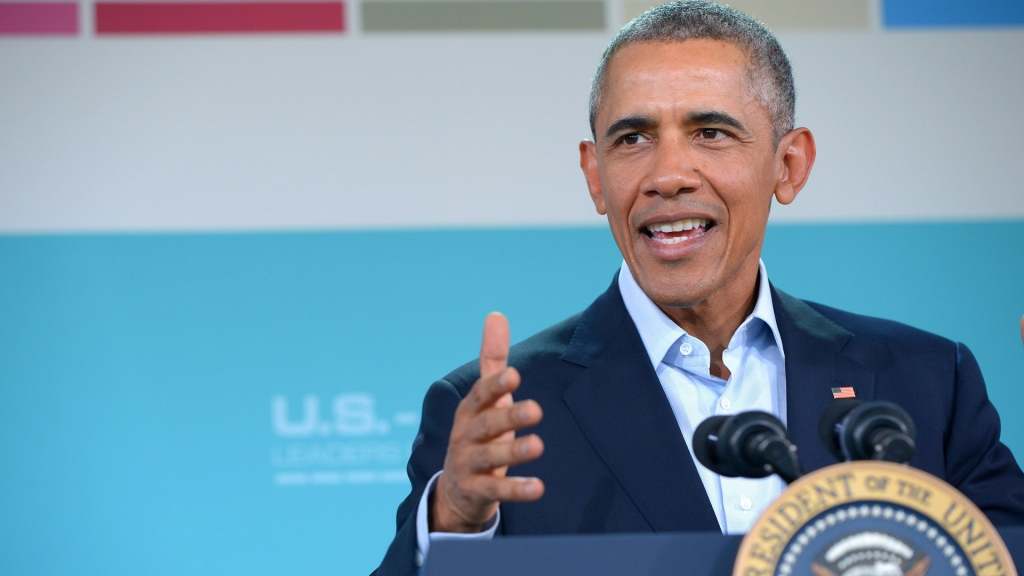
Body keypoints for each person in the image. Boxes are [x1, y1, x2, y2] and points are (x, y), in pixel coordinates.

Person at [373, 2, 1024, 574]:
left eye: (710, 133)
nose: (668, 175)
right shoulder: (498, 417)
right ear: (595, 175)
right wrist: (456, 523)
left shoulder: (928, 380)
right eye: (633, 138)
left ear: (788, 164)